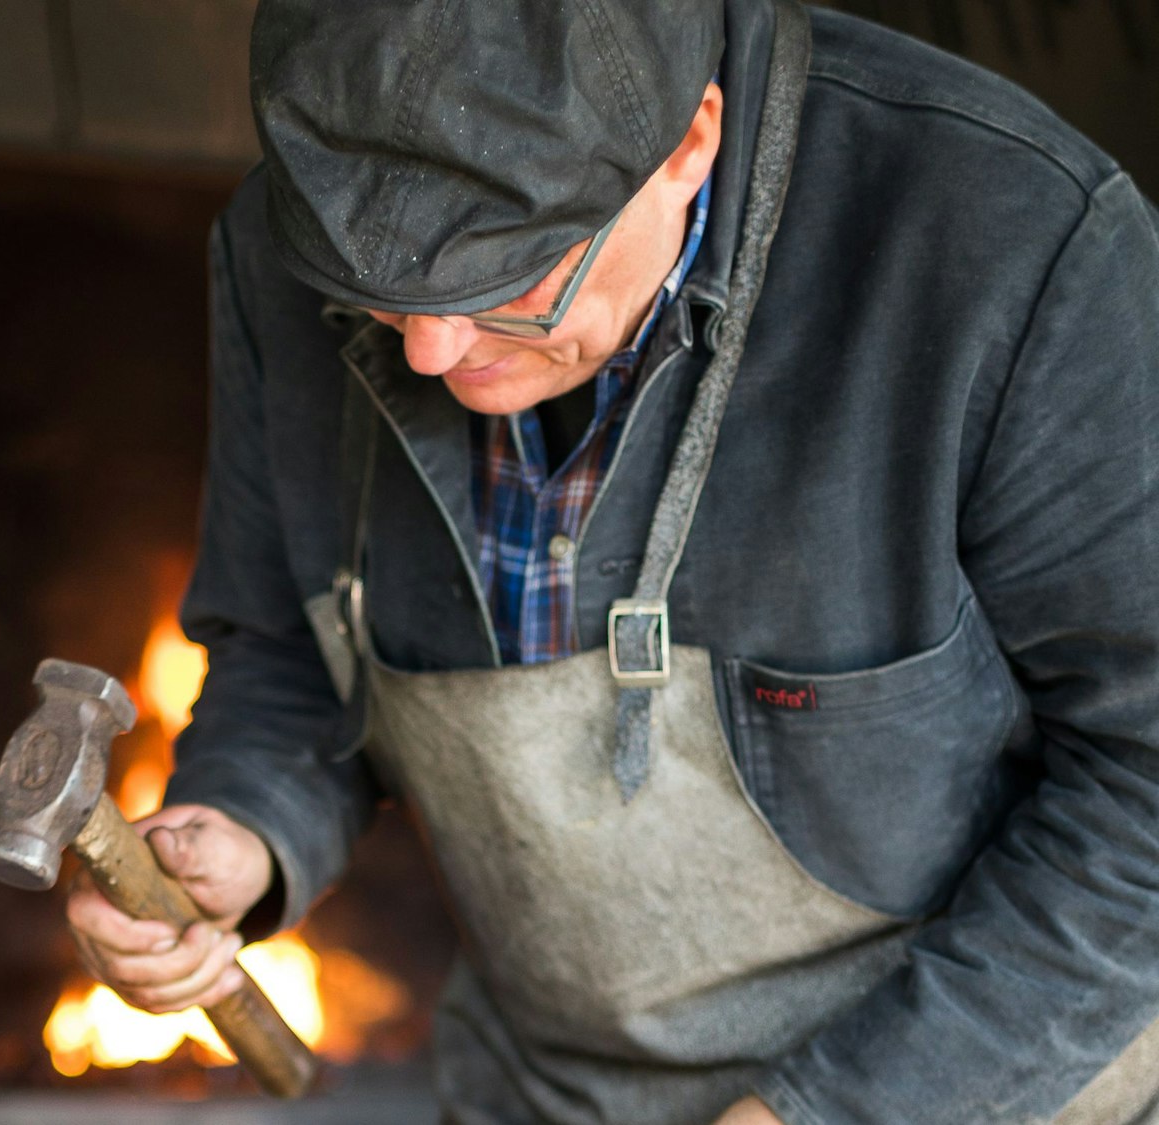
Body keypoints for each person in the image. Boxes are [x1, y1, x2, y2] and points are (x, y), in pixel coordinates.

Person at [64, 0, 1159, 1120]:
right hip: (550, 1094)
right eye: (375, 293)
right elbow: (288, 646)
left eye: (508, 279)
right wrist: (240, 829)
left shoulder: (1016, 246)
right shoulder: (279, 243)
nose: (431, 351)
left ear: (690, 142)